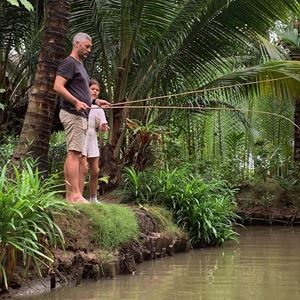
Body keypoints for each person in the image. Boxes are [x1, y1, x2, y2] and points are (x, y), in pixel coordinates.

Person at [53, 32, 110, 203]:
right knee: (74, 153)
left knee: (76, 154)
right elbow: (57, 86)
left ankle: (71, 195)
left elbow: (82, 91)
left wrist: (95, 101)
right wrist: (76, 102)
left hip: (81, 114)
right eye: (87, 46)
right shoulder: (69, 63)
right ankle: (75, 195)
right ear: (76, 43)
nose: (89, 50)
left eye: (90, 46)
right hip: (73, 113)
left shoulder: (80, 65)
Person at [80, 79, 109, 202]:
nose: (95, 92)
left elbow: (102, 125)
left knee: (95, 171)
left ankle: (93, 198)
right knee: (83, 169)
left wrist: (103, 127)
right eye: (93, 89)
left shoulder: (99, 108)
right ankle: (79, 197)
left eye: (97, 90)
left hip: (92, 135)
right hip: (82, 134)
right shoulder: (81, 103)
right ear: (87, 89)